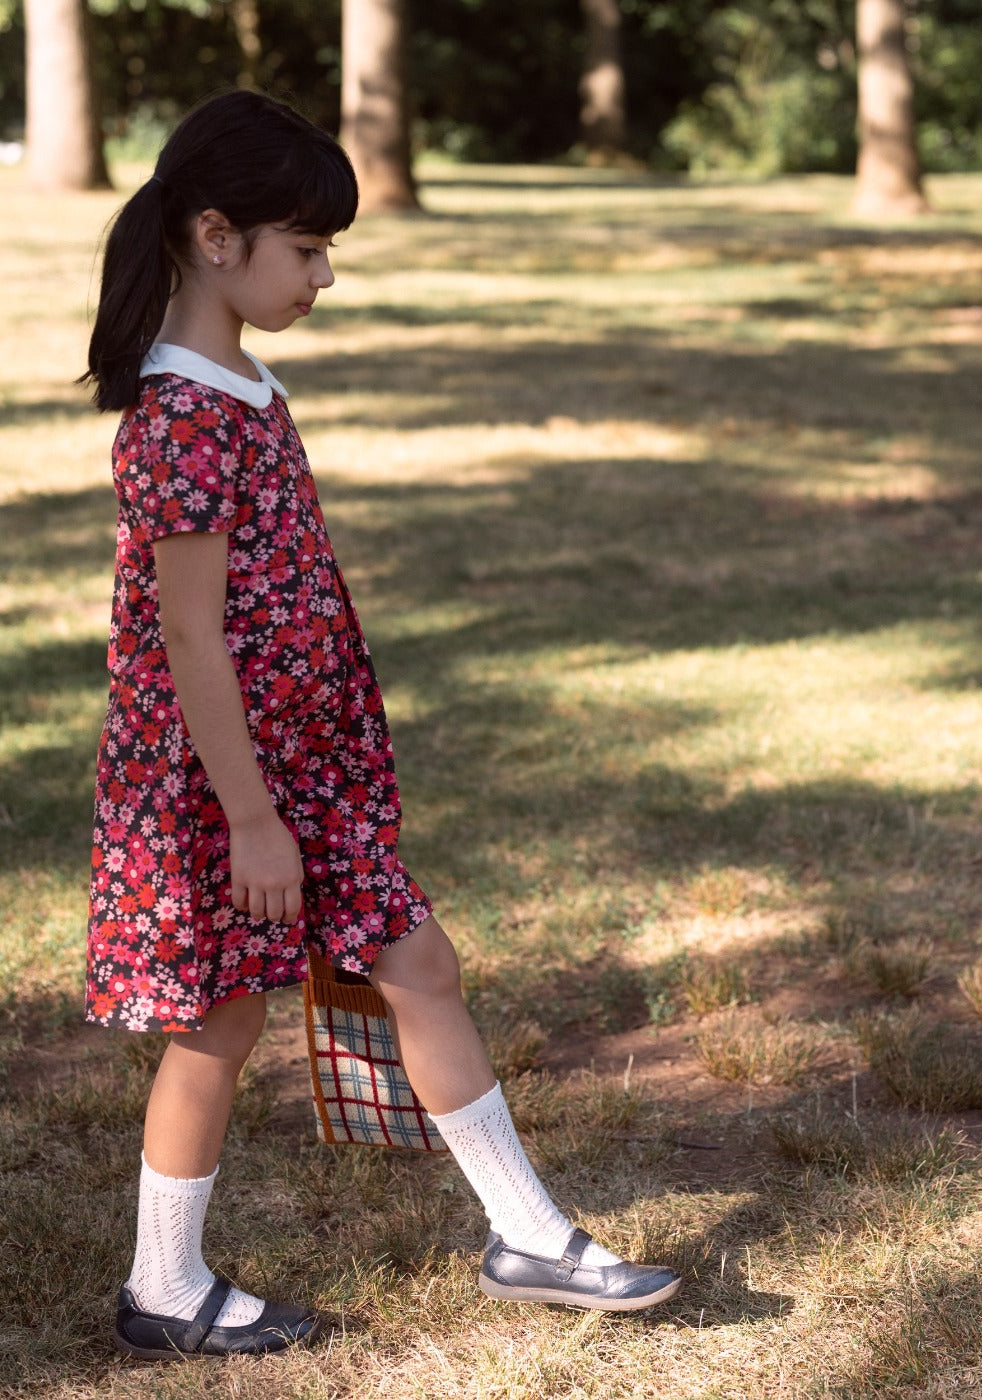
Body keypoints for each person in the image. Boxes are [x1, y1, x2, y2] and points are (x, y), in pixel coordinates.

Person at [81, 89, 681, 1361]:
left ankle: (528, 1234)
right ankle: (164, 1283)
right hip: (226, 788)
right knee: (219, 1024)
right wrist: (250, 820)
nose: (325, 274)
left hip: (304, 773)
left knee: (418, 962)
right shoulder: (182, 414)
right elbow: (186, 638)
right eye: (304, 248)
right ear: (213, 234)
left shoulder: (236, 379)